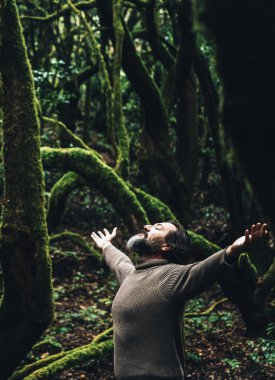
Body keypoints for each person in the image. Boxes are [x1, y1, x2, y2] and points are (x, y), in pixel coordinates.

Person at [91, 221, 268, 380]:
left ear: (166, 247)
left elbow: (207, 269)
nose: (146, 227)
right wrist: (106, 245)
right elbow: (119, 262)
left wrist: (234, 249)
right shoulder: (131, 275)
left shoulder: (172, 276)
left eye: (157, 227)